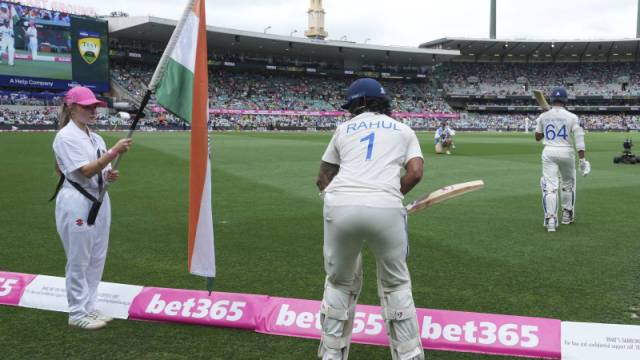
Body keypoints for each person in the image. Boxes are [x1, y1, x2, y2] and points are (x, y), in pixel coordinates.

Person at [316, 78, 425, 360]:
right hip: (386, 207)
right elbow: (415, 172)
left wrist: (332, 201)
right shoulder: (403, 129)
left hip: (339, 205)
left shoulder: (343, 129)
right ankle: (409, 355)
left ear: (357, 103)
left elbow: (323, 177)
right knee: (396, 284)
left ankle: (331, 354)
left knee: (339, 282)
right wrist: (392, 195)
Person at [51, 86, 132, 329]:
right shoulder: (65, 137)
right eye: (87, 106)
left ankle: (89, 305)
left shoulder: (95, 137)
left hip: (99, 198)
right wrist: (114, 152)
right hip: (76, 201)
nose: (93, 110)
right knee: (79, 258)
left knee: (97, 257)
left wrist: (108, 176)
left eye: (94, 106)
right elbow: (85, 171)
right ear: (72, 107)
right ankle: (76, 312)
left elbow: (98, 172)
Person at [535, 87, 590, 232]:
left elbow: (537, 137)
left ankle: (551, 220)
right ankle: (567, 215)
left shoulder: (543, 116)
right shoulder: (572, 117)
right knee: (568, 184)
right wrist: (583, 160)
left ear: (551, 100)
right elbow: (579, 139)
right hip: (567, 152)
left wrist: (544, 124)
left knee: (550, 187)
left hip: (549, 151)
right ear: (565, 100)